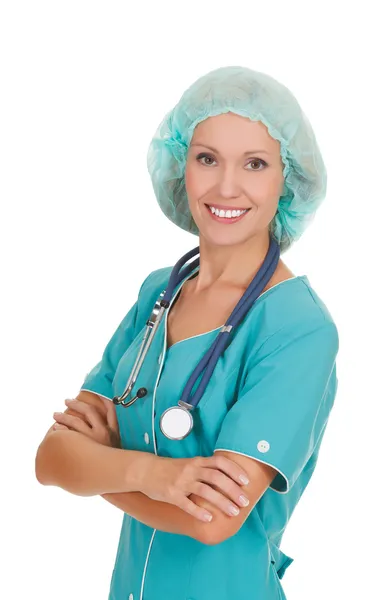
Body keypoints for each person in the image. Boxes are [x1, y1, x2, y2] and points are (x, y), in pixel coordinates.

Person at [35, 65, 340, 600]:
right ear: (182, 168)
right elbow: (50, 460)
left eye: (254, 163)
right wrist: (161, 478)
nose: (226, 186)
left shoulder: (298, 327)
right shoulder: (160, 294)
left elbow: (211, 522)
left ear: (286, 179)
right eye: (207, 159)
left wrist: (101, 466)